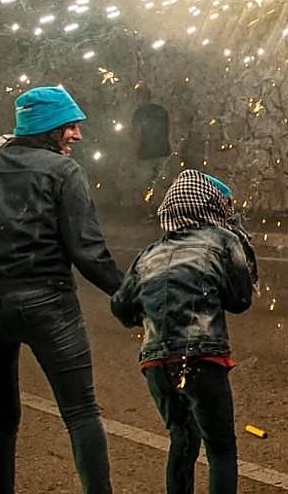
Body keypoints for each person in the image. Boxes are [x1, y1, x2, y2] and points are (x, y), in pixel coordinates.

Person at [0, 86, 120, 493]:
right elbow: (87, 251)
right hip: (47, 303)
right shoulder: (65, 174)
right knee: (81, 412)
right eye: (70, 126)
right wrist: (129, 296)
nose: (77, 136)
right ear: (48, 128)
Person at [111, 169, 256, 494]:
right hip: (203, 358)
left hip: (155, 363)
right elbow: (241, 299)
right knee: (220, 448)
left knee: (182, 440)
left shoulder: (149, 253)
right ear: (210, 204)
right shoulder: (223, 240)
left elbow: (121, 305)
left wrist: (151, 317)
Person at [130, 81, 172, 210]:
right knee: (164, 184)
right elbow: (168, 130)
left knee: (145, 185)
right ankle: (165, 211)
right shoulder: (161, 111)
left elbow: (138, 134)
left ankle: (149, 213)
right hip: (164, 151)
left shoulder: (139, 113)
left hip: (146, 154)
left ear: (139, 98)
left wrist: (135, 153)